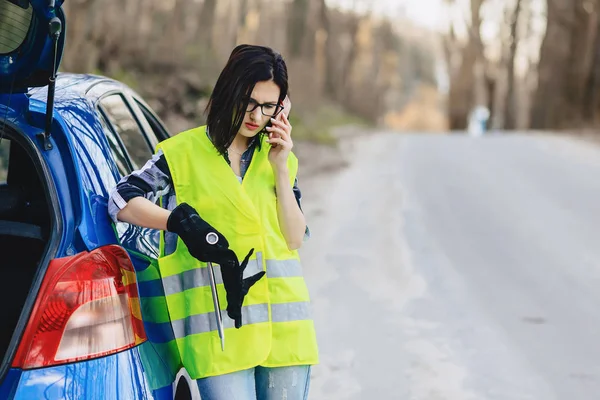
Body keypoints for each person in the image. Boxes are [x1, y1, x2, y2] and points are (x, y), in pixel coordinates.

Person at [108, 44, 319, 400]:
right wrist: (177, 221)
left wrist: (282, 168)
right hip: (220, 338)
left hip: (286, 336)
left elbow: (294, 238)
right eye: (249, 101)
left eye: (269, 106)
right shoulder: (181, 153)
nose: (256, 115)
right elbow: (120, 201)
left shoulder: (281, 160)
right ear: (229, 92)